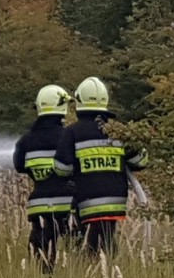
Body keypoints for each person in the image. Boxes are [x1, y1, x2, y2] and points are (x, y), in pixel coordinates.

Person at [53, 76, 149, 257]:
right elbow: (140, 162)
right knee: (105, 237)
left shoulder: (72, 132)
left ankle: (94, 268)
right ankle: (107, 266)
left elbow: (61, 169)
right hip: (116, 201)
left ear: (79, 100)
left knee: (91, 244)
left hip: (86, 199)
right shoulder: (118, 131)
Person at [13, 84, 75, 273]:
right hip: (67, 206)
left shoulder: (25, 141)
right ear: (62, 107)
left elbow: (19, 167)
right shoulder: (68, 136)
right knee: (78, 249)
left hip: (39, 206)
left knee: (43, 257)